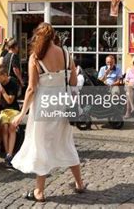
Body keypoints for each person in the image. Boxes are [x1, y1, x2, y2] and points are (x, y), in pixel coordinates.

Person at [11, 23, 86, 202]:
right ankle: (79, 183)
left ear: (38, 36)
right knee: (66, 142)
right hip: (63, 104)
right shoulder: (66, 54)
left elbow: (31, 88)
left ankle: (39, 191)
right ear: (54, 36)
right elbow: (74, 81)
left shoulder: (35, 57)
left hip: (44, 105)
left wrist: (22, 113)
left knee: (41, 145)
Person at [0, 65, 19, 168]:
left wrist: (2, 90)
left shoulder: (12, 83)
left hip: (13, 109)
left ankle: (10, 153)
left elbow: (9, 100)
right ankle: (7, 154)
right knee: (4, 127)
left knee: (11, 127)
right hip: (3, 110)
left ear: (5, 75)